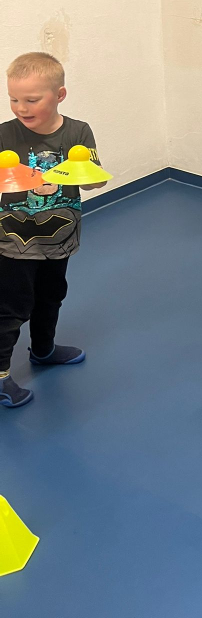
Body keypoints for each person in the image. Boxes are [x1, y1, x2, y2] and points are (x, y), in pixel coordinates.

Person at [0, 53, 106, 408]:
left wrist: (91, 176)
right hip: (13, 239)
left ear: (59, 95)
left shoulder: (78, 132)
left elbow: (92, 179)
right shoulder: (4, 134)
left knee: (51, 295)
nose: (21, 108)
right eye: (14, 99)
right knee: (11, 307)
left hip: (59, 237)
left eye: (31, 100)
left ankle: (43, 349)